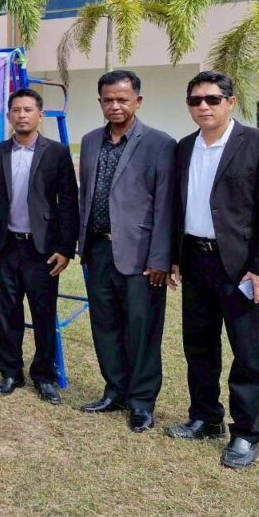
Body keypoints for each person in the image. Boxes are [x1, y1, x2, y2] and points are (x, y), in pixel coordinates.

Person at [164, 71, 259, 470]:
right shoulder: (184, 147)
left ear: (231, 102)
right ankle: (205, 417)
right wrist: (175, 257)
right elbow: (178, 206)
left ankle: (246, 432)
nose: (203, 106)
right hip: (195, 260)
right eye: (195, 100)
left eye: (212, 99)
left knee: (246, 352)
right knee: (198, 344)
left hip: (239, 267)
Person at [77, 70, 175, 432]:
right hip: (98, 250)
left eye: (122, 99)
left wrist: (161, 258)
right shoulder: (90, 141)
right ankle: (115, 390)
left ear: (138, 101)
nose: (115, 106)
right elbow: (86, 195)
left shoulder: (160, 144)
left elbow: (166, 206)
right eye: (108, 100)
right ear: (100, 102)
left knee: (142, 330)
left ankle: (142, 402)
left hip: (141, 257)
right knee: (105, 325)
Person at [0, 88, 79, 404]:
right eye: (16, 110)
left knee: (43, 313)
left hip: (43, 249)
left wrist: (65, 248)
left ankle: (44, 376)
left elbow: (68, 202)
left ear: (40, 114)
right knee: (8, 312)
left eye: (28, 109)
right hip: (6, 246)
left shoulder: (57, 152)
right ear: (9, 116)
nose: (22, 115)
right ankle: (10, 372)